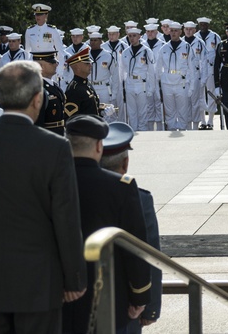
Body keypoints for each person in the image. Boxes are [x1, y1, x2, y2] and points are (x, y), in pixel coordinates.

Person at [0, 61, 87, 333]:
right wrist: (74, 279)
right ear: (38, 100)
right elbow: (66, 219)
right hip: (37, 288)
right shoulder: (55, 148)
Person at [62, 114, 151, 334]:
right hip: (108, 298)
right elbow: (134, 248)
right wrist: (139, 295)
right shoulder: (121, 187)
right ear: (99, 147)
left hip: (59, 297)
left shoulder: (49, 182)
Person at [101, 122, 161, 332]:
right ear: (125, 163)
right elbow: (150, 254)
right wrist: (151, 308)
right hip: (128, 304)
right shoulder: (139, 198)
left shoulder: (75, 191)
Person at [34, 49, 69, 134]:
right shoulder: (38, 88)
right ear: (41, 66)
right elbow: (38, 121)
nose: (56, 64)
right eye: (52, 62)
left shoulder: (53, 85)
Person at [65, 46, 104, 119]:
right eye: (87, 63)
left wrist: (101, 110)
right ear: (77, 67)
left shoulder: (86, 83)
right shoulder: (74, 89)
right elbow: (72, 118)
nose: (90, 65)